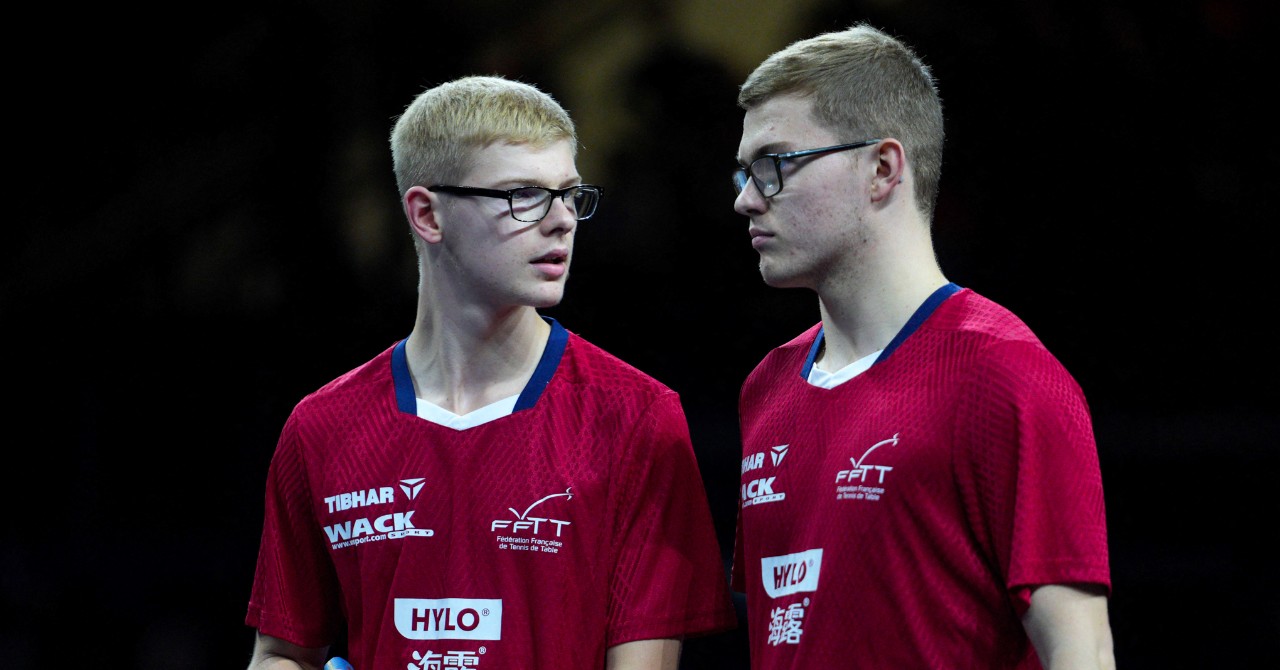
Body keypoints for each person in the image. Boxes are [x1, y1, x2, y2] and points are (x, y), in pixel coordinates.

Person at [244, 75, 737, 670]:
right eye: (522, 195)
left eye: (570, 194)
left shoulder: (636, 416)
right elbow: (280, 655)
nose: (562, 221)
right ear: (427, 214)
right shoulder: (322, 426)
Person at [728, 23, 1115, 669]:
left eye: (774, 166)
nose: (745, 199)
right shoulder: (764, 389)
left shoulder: (1005, 375)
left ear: (882, 169)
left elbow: (1083, 651)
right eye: (742, 172)